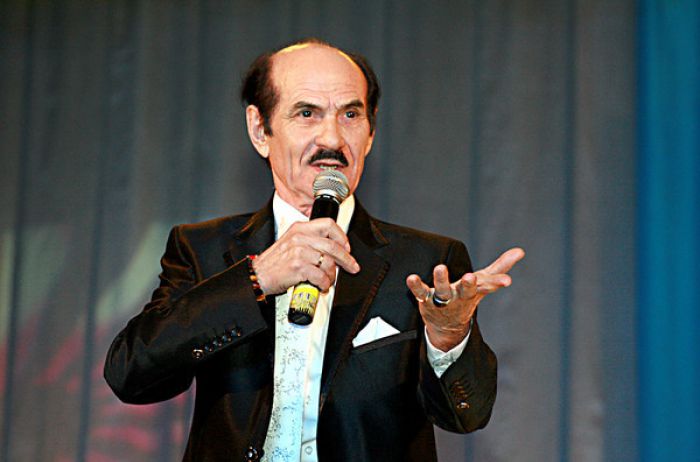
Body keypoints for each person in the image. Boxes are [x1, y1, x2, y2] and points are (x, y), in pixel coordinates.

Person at [104, 38, 524, 462]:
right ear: (260, 129)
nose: (332, 138)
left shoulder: (427, 262)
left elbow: (467, 415)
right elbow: (131, 375)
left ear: (371, 133)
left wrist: (449, 337)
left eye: (350, 115)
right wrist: (256, 279)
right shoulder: (204, 249)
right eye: (307, 114)